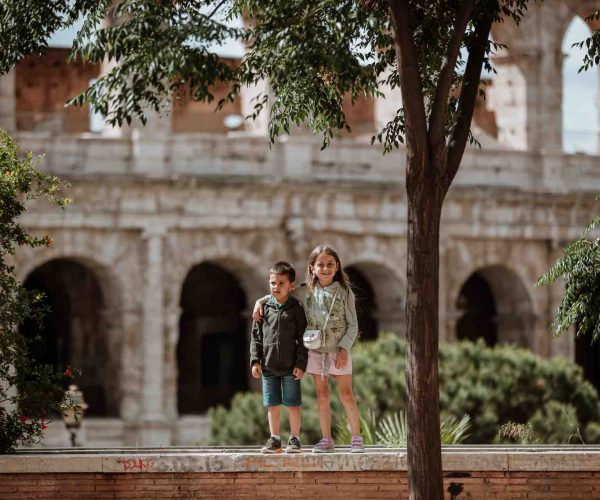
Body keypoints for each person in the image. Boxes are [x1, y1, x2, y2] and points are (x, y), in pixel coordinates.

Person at [254, 245, 364, 453]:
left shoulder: (344, 291)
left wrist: (344, 349)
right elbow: (280, 294)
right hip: (315, 351)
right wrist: (259, 302)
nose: (325, 269)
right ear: (312, 267)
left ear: (337, 266)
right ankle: (326, 439)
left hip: (338, 351)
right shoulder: (306, 290)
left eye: (330, 264)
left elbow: (353, 325)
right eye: (320, 264)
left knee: (346, 394)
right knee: (322, 395)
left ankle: (356, 439)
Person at [250, 261, 308, 454]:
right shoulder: (263, 309)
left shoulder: (296, 308)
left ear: (291, 285)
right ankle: (275, 438)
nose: (276, 287)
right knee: (272, 403)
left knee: (292, 403)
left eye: (282, 283)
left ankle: (294, 438)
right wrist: (255, 361)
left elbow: (303, 338)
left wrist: (301, 363)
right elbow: (256, 337)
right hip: (268, 367)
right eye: (273, 283)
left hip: (291, 367)